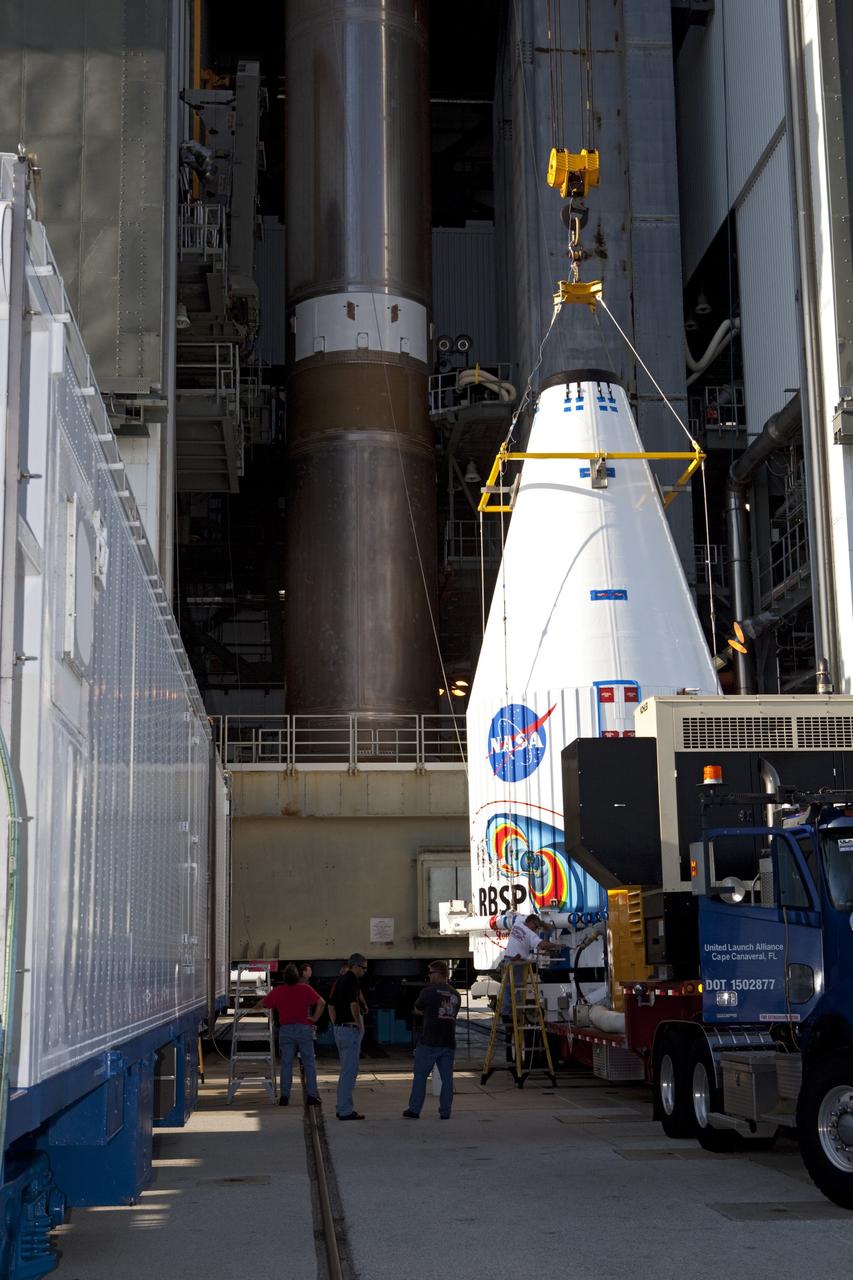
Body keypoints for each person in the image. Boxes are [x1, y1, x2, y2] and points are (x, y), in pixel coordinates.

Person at [403, 961, 461, 1121]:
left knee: (420, 1076)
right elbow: (452, 1015)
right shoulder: (456, 994)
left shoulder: (428, 992)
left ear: (438, 973)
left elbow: (417, 1009)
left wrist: (429, 1013)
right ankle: (445, 1111)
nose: (428, 976)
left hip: (429, 1041)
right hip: (448, 1041)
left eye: (430, 973)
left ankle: (414, 1109)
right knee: (447, 1078)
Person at [261, 963, 325, 1107]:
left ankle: (285, 1097)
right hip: (304, 1029)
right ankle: (312, 1096)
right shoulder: (305, 989)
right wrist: (314, 1018)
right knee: (309, 1063)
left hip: (286, 1030)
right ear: (297, 976)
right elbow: (321, 1003)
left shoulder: (279, 991)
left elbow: (265, 1003)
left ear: (284, 977)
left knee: (286, 1065)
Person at [332, 953, 368, 1120]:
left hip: (340, 1029)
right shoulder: (352, 980)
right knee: (349, 1072)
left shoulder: (339, 980)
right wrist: (357, 1023)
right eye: (363, 968)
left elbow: (330, 1005)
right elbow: (354, 1004)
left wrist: (336, 1024)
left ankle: (341, 1107)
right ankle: (345, 1110)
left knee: (345, 1071)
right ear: (355, 966)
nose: (365, 971)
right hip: (349, 1030)